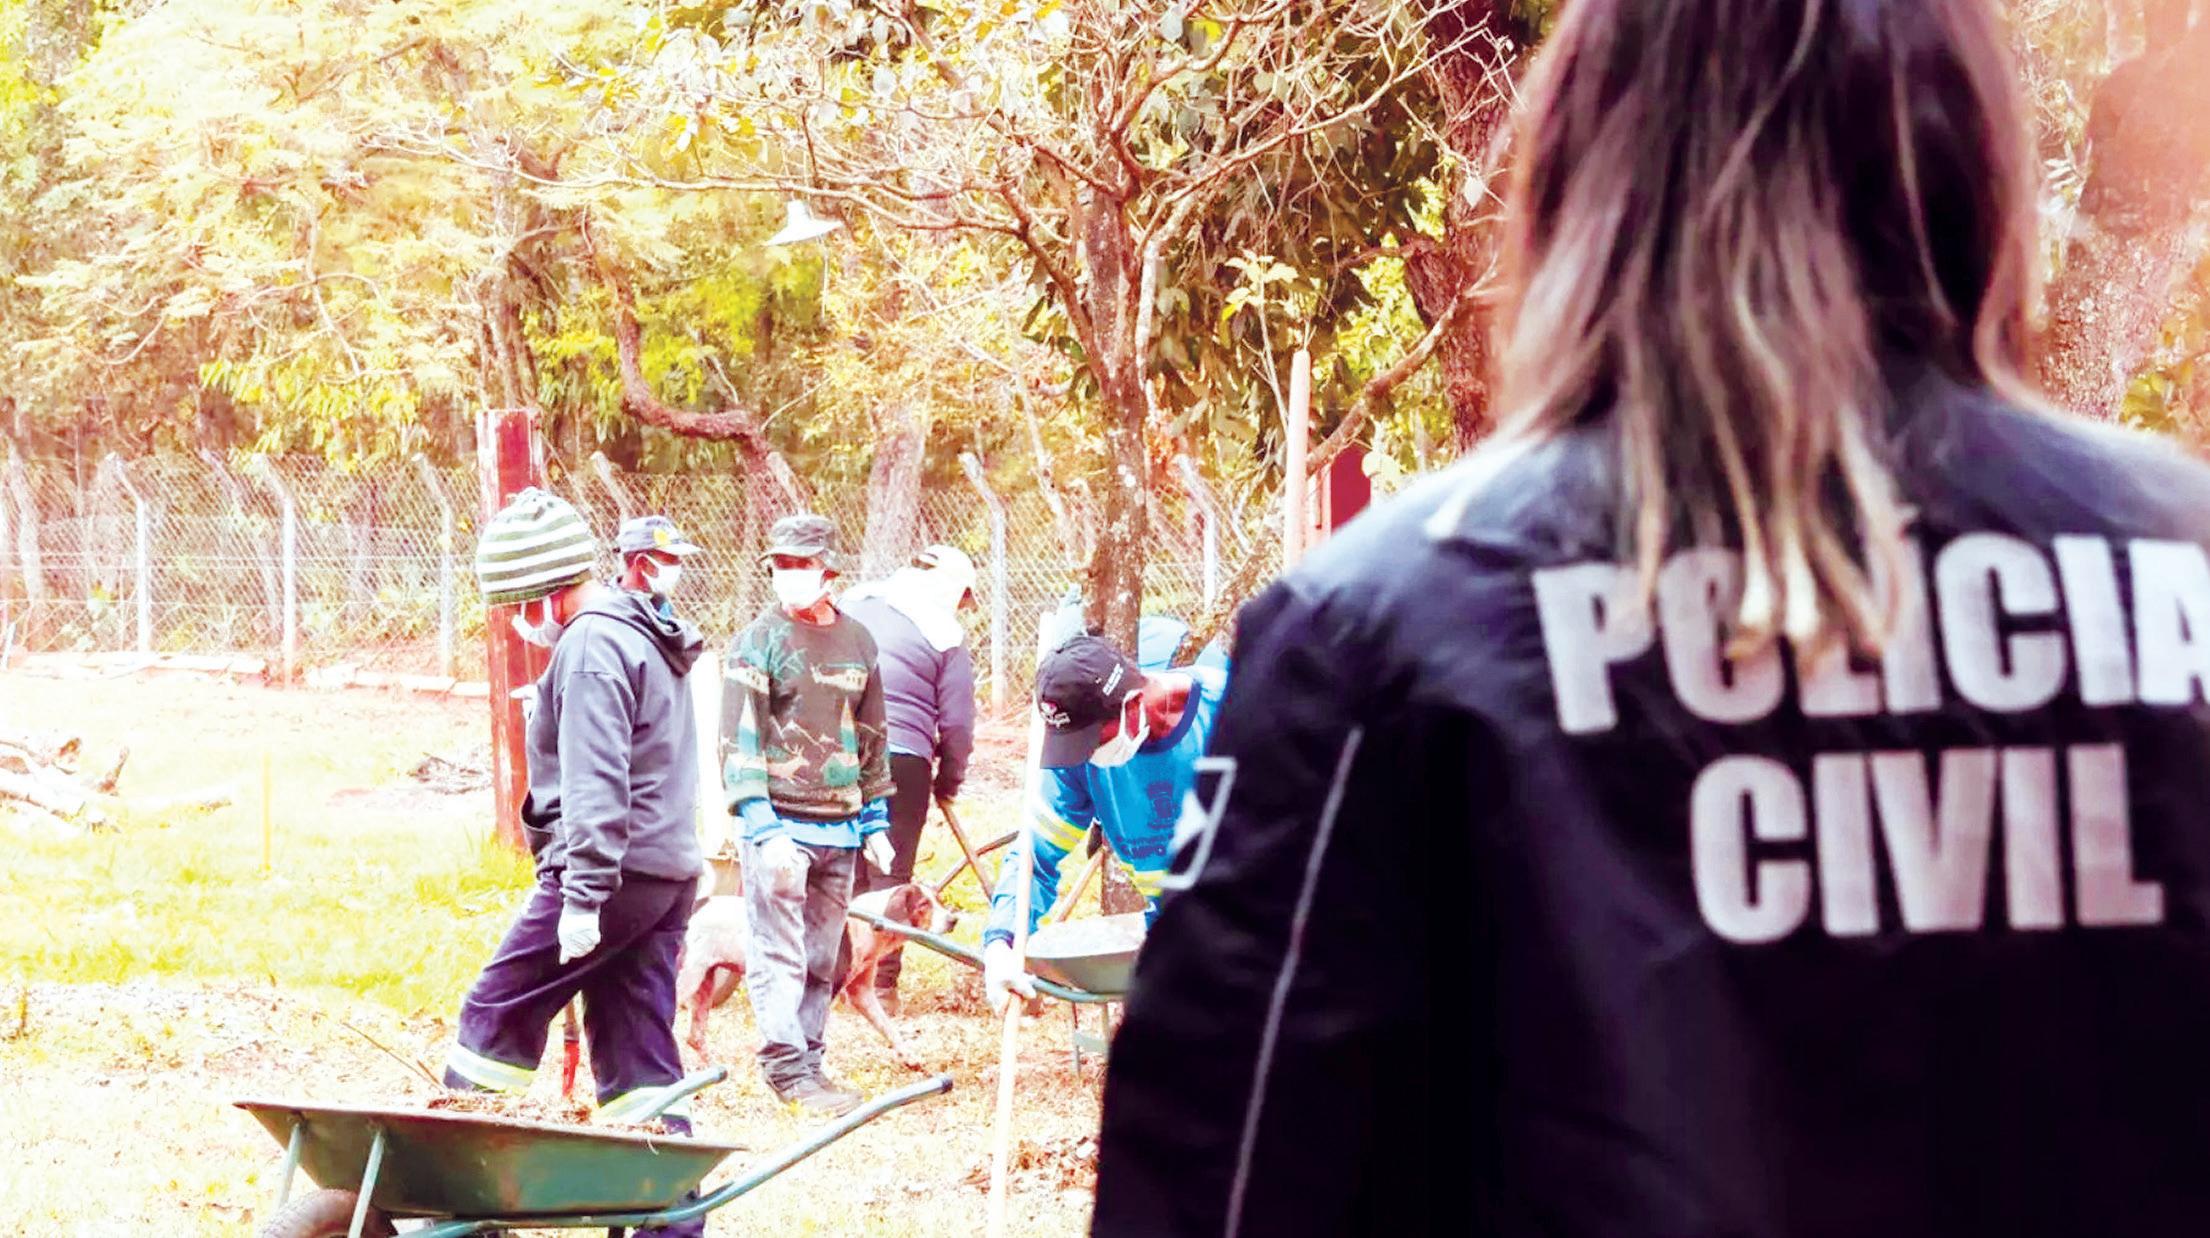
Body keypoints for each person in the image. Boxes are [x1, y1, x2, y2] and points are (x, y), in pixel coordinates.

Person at [1091, 1, 2210, 1234]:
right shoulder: (2184, 568)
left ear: (1581, 172)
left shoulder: (1372, 631)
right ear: (1975, 155)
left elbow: (1212, 1184)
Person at [444, 488, 707, 1238]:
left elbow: (597, 780)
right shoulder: (641, 628)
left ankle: (462, 1199)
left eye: (516, 604)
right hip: (664, 873)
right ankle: (670, 1224)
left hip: (609, 875)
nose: (517, 621)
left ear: (545, 590)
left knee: (495, 1015)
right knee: (636, 1048)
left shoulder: (591, 647)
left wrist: (583, 897)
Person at [721, 513, 894, 1115]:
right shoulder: (756, 641)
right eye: (780, 565)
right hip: (779, 827)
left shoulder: (859, 642)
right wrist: (761, 826)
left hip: (840, 828)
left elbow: (872, 731)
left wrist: (875, 819)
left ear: (828, 570)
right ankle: (785, 1067)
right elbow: (738, 738)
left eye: (801, 565)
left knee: (824, 956)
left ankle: (811, 1062)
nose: (789, 575)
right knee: (778, 952)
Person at [980, 633, 1226, 1012]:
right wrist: (1002, 943)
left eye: (1092, 740)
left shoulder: (1235, 709)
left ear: (1133, 704)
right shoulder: (1079, 762)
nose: (1085, 754)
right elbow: (1034, 856)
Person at [840, 544, 981, 1014]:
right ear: (955, 590)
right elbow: (957, 724)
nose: (963, 608)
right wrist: (949, 780)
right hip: (901, 756)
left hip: (831, 747)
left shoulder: (852, 600)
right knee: (891, 872)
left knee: (840, 861)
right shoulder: (945, 633)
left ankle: (836, 972)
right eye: (964, 598)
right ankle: (878, 986)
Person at [614, 514, 703, 618]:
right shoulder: (612, 612)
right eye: (671, 559)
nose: (679, 564)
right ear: (642, 563)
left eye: (678, 559)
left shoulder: (659, 603)